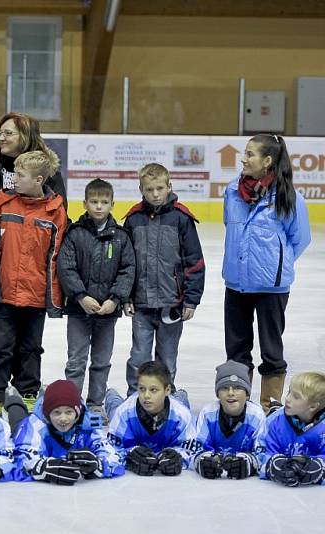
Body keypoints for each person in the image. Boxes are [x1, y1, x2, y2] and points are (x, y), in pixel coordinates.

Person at [222, 134, 311, 414]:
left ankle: (269, 406)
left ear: (268, 161)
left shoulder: (288, 197)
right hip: (236, 283)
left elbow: (300, 239)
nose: (244, 159)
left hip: (271, 288)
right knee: (236, 350)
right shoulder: (231, 191)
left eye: (250, 154)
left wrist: (276, 267)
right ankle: (239, 408)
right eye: (244, 153)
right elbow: (231, 227)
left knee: (272, 351)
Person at [0, 151, 67, 414]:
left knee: (31, 348)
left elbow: (54, 257)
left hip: (34, 295)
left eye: (20, 176)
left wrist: (53, 299)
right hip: (5, 294)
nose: (14, 179)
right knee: (1, 347)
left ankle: (28, 392)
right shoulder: (3, 205)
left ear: (39, 179)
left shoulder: (55, 212)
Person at [123, 163, 205, 395]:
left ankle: (165, 396)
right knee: (139, 355)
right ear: (141, 189)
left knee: (167, 356)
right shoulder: (133, 219)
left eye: (160, 188)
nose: (155, 194)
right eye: (149, 189)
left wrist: (191, 300)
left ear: (169, 186)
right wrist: (126, 297)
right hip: (141, 304)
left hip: (173, 303)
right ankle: (134, 397)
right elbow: (126, 264)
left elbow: (195, 261)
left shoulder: (181, 218)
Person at [58, 178, 135, 420]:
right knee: (76, 360)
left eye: (104, 202)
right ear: (85, 204)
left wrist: (115, 299)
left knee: (101, 361)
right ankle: (72, 402)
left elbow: (128, 268)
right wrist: (80, 296)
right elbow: (66, 267)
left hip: (107, 312)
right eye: (94, 202)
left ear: (112, 204)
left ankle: (94, 404)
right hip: (80, 311)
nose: (99, 206)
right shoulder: (75, 233)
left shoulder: (121, 236)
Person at [13, 380, 123, 484]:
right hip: (21, 425)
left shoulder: (89, 424)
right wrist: (42, 467)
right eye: (57, 412)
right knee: (17, 421)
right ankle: (13, 399)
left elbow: (113, 455)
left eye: (69, 412)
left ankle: (45, 393)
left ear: (77, 412)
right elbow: (21, 456)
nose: (63, 419)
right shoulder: (34, 424)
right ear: (47, 414)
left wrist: (100, 465)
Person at [105, 361, 195, 477]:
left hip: (176, 404)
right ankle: (111, 393)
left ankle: (181, 394)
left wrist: (178, 455)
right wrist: (129, 454)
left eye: (153, 390)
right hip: (124, 408)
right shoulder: (123, 412)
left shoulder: (181, 414)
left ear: (167, 390)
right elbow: (111, 448)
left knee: (181, 402)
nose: (146, 395)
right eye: (142, 389)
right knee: (114, 408)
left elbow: (192, 448)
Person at [192, 361, 266, 480]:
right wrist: (202, 460)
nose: (231, 393)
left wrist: (250, 462)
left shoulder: (256, 415)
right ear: (217, 394)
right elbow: (197, 446)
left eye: (237, 388)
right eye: (225, 388)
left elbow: (263, 450)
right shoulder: (208, 413)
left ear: (247, 394)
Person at [259, 371, 325, 487]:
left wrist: (319, 467)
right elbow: (261, 450)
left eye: (296, 397)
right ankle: (275, 407)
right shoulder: (274, 421)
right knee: (276, 412)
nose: (288, 399)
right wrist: (273, 464)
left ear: (313, 406)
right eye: (289, 392)